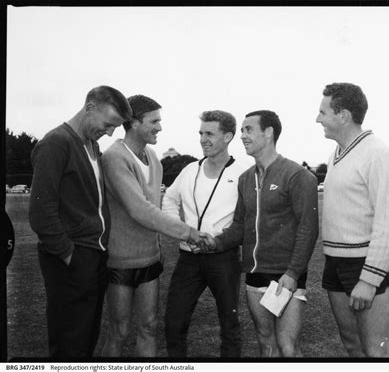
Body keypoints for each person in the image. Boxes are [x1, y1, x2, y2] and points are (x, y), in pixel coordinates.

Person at [201, 110, 319, 357]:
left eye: (248, 129)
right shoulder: (245, 179)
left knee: (288, 347)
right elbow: (238, 227)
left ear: (268, 133)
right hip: (255, 276)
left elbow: (308, 228)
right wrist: (215, 242)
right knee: (266, 344)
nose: (242, 135)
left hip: (286, 276)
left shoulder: (297, 175)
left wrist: (293, 273)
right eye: (242, 130)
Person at [28, 86, 133, 358]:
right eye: (108, 124)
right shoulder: (56, 143)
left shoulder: (93, 145)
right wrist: (69, 256)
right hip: (72, 257)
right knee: (69, 345)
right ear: (89, 108)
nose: (110, 133)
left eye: (116, 128)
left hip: (94, 256)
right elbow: (41, 212)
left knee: (86, 340)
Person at [100, 95, 205, 357]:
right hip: (120, 261)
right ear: (133, 123)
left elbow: (155, 208)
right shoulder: (114, 158)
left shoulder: (153, 157)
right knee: (120, 331)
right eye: (154, 121)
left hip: (151, 259)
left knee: (148, 327)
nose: (160, 127)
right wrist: (188, 233)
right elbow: (140, 211)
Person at [316, 82, 389, 357]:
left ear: (343, 115)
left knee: (377, 350)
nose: (317, 118)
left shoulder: (378, 154)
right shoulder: (337, 155)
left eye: (323, 112)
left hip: (366, 264)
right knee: (353, 345)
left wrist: (369, 279)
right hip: (336, 262)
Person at [162, 110, 247, 357]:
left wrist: (219, 240)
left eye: (210, 133)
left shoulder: (242, 172)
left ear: (228, 136)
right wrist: (183, 231)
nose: (203, 139)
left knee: (229, 325)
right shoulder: (190, 169)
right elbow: (169, 199)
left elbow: (247, 217)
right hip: (188, 258)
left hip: (224, 258)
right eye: (201, 133)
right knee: (174, 322)